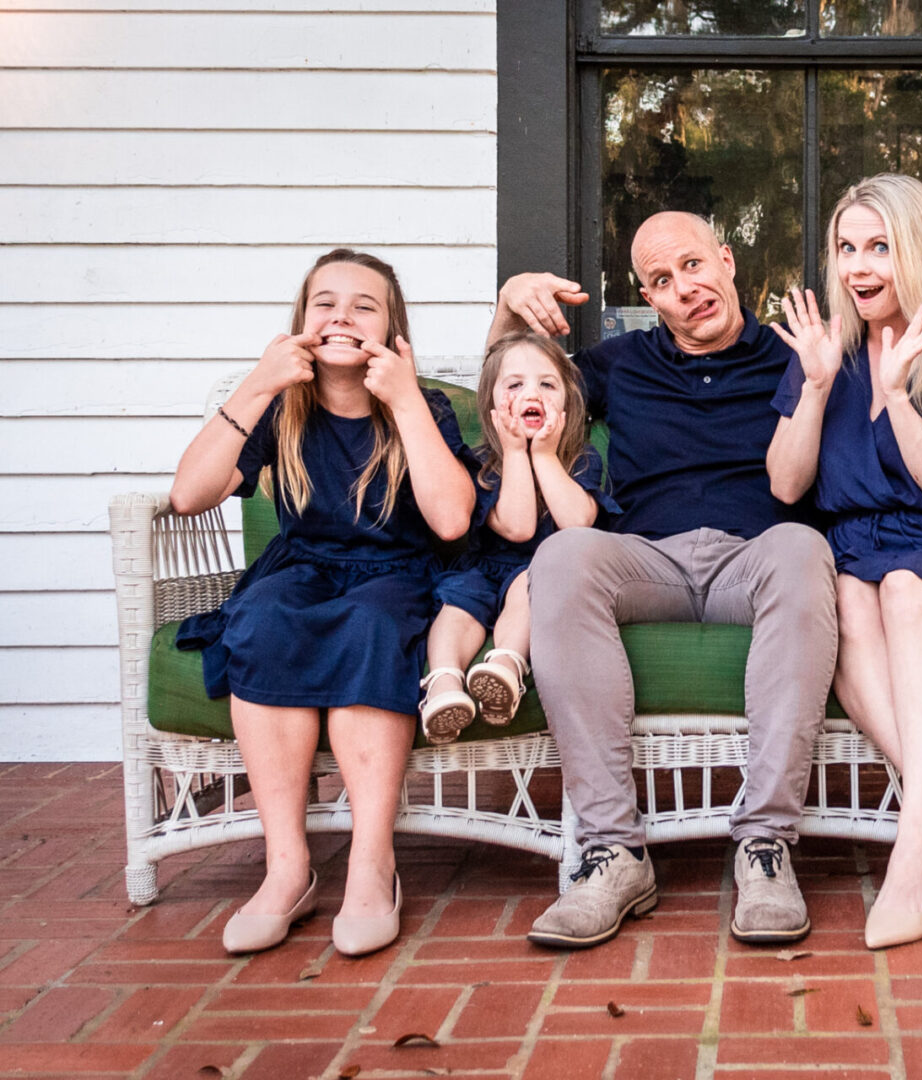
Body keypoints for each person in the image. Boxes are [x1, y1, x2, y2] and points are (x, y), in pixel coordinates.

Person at [492, 212, 838, 949]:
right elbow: (513, 388)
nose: (685, 289)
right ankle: (613, 851)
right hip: (647, 559)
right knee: (562, 557)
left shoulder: (789, 356)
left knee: (805, 548)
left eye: (692, 265)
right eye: (661, 281)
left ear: (727, 258)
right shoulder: (622, 363)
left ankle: (765, 844)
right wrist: (506, 305)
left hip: (757, 556)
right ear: (649, 297)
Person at [169, 249, 476, 956]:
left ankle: (372, 865)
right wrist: (255, 385)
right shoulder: (280, 406)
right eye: (325, 302)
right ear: (301, 323)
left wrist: (401, 396)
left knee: (372, 626)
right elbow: (188, 495)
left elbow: (454, 519)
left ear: (392, 329)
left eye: (364, 305)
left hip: (395, 572)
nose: (341, 315)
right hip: (303, 568)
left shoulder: (422, 405)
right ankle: (289, 869)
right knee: (263, 618)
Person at [767, 174, 922, 950]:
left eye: (880, 246)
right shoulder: (826, 354)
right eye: (846, 248)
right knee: (843, 595)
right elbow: (785, 484)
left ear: (918, 252)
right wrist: (813, 387)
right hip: (851, 546)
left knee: (905, 588)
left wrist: (899, 393)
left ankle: (913, 855)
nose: (859, 265)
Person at [419, 331, 617, 743]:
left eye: (548, 384)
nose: (533, 393)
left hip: (539, 572)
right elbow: (518, 525)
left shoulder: (582, 459)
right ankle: (443, 685)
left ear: (569, 402)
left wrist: (543, 454)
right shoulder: (482, 464)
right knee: (458, 608)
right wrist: (513, 453)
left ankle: (505, 667)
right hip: (483, 570)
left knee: (532, 585)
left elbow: (577, 522)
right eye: (515, 385)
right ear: (492, 407)